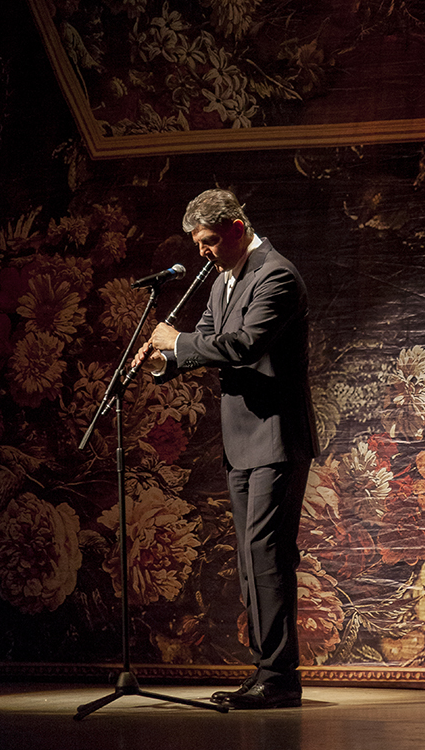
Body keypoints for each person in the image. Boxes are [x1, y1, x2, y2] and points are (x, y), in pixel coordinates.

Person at [133, 187, 318, 709]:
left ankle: (279, 678)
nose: (202, 252)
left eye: (209, 241)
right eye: (198, 243)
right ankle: (266, 671)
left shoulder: (276, 275)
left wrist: (175, 341)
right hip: (243, 442)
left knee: (267, 555)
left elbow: (243, 346)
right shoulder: (223, 281)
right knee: (250, 558)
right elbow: (206, 341)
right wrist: (162, 362)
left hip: (276, 437)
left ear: (237, 227)